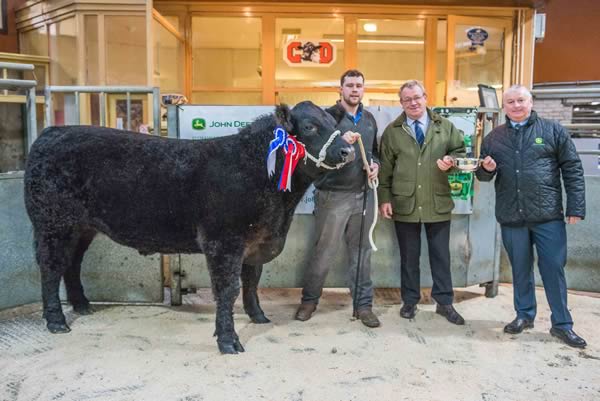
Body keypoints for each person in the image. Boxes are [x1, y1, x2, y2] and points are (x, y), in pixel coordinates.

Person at [476, 85, 587, 348]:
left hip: (547, 216)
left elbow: (572, 168)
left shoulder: (553, 131)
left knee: (553, 268)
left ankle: (562, 324)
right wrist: (486, 169)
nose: (516, 105)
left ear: (531, 102)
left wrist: (575, 207)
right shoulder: (493, 138)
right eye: (510, 101)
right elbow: (482, 175)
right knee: (520, 268)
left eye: (521, 100)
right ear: (504, 106)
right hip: (511, 215)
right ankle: (524, 315)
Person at [294, 69, 381, 328]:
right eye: (349, 85)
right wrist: (340, 141)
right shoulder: (327, 118)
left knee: (362, 253)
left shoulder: (369, 119)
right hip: (333, 195)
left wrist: (375, 165)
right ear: (340, 89)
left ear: (363, 89)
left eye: (358, 85)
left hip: (364, 195)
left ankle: (363, 306)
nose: (354, 90)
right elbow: (314, 154)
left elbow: (375, 152)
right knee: (324, 252)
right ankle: (309, 301)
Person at [378, 80, 466, 325]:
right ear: (401, 103)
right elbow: (385, 169)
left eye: (417, 97)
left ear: (425, 97)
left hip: (437, 202)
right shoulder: (393, 131)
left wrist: (451, 161)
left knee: (441, 257)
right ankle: (409, 301)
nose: (413, 103)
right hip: (404, 203)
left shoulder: (445, 127)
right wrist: (384, 198)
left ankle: (445, 303)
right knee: (409, 258)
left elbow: (460, 152)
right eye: (407, 99)